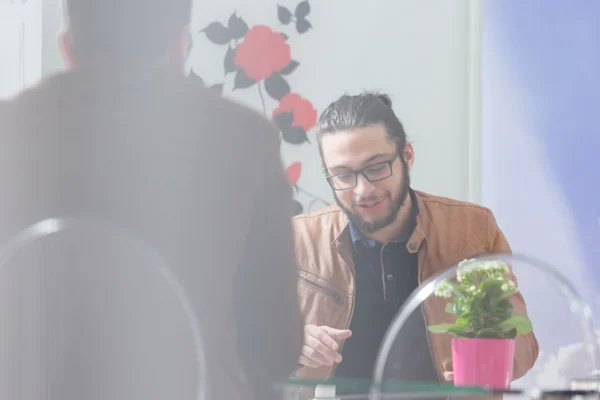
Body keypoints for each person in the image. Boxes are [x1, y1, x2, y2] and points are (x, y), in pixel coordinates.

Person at [0, 1, 303, 399]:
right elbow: (280, 349)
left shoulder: (12, 131)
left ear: (68, 47)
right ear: (179, 44)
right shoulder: (247, 139)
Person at [292, 92, 539, 388]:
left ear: (407, 156)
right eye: (343, 175)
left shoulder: (474, 229)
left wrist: (490, 361)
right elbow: (247, 342)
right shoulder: (296, 239)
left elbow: (524, 342)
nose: (363, 190)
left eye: (376, 167)